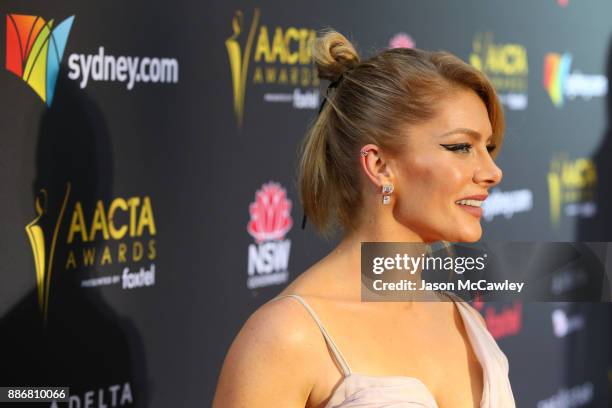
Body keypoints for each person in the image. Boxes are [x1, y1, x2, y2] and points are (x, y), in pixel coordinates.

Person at [213, 29, 515, 408]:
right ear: (379, 166)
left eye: (487, 148)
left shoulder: (467, 322)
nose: (492, 172)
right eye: (460, 147)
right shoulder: (288, 337)